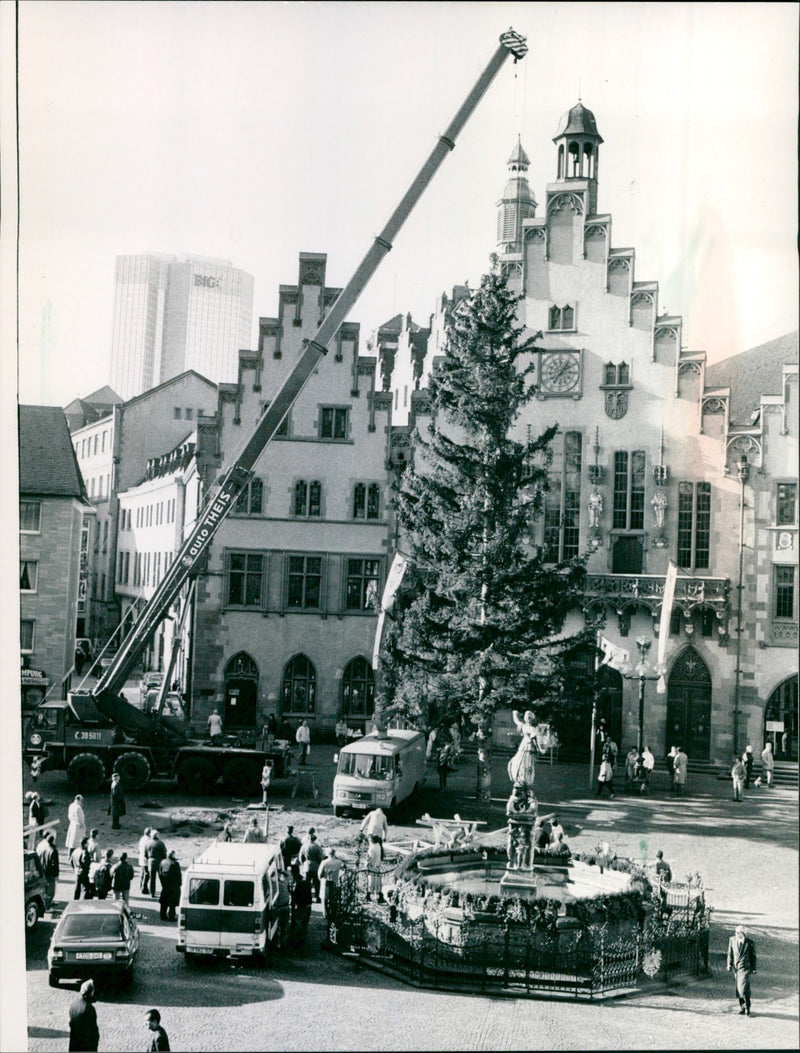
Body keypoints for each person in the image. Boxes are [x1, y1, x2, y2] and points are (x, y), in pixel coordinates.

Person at [727, 925, 757, 1015]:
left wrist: (754, 968)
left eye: (738, 932)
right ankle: (742, 1007)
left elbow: (753, 957)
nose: (736, 934)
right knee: (739, 989)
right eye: (735, 932)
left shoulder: (750, 943)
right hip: (736, 969)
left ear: (743, 933)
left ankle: (747, 1008)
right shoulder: (732, 940)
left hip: (745, 969)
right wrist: (729, 964)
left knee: (743, 988)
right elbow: (730, 953)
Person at [507, 709, 539, 790]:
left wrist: (515, 713)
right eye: (527, 717)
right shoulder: (528, 727)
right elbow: (516, 721)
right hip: (526, 746)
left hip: (527, 747)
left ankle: (523, 779)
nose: (528, 718)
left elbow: (534, 739)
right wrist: (514, 713)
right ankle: (520, 778)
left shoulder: (530, 728)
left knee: (525, 762)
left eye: (529, 717)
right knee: (520, 761)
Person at [68, 979, 99, 1052]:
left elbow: (70, 1023)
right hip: (86, 1045)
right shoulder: (89, 1009)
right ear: (90, 993)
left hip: (74, 1044)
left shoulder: (74, 1004)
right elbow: (92, 1030)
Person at [317, 847, 345, 920]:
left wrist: (321, 878)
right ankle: (333, 912)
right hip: (334, 880)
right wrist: (340, 875)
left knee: (324, 898)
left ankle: (325, 913)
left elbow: (319, 873)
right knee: (333, 898)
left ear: (327, 854)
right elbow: (344, 869)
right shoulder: (339, 862)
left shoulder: (324, 862)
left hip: (325, 880)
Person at [299, 829, 324, 902]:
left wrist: (303, 864)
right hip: (315, 866)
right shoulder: (317, 846)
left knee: (307, 883)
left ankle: (307, 897)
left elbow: (300, 857)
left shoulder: (304, 846)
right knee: (317, 883)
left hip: (307, 866)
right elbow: (321, 857)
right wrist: (319, 864)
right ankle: (317, 897)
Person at [290, 872, 313, 947]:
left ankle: (298, 939)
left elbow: (296, 897)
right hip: (308, 906)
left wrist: (292, 893)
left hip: (300, 907)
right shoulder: (307, 883)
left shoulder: (298, 884)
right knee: (305, 923)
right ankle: (303, 938)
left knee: (298, 922)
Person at [158, 850, 182, 922]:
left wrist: (162, 883)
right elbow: (178, 875)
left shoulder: (162, 862)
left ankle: (163, 915)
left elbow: (159, 873)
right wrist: (179, 884)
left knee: (164, 901)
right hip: (173, 886)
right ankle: (171, 916)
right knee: (172, 902)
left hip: (165, 885)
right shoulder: (175, 864)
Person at [37, 831, 59, 902]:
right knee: (50, 890)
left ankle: (47, 902)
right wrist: (56, 875)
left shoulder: (40, 845)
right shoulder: (53, 850)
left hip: (42, 869)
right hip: (50, 872)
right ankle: (48, 905)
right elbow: (54, 864)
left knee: (44, 888)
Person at [147, 830, 168, 899]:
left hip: (151, 861)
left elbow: (145, 853)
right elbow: (164, 854)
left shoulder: (148, 843)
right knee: (162, 877)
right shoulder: (161, 843)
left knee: (152, 878)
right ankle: (164, 891)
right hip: (159, 861)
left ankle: (152, 893)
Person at [365, 835, 384, 902]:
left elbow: (370, 858)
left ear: (371, 840)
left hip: (372, 866)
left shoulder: (372, 848)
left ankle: (369, 895)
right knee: (378, 881)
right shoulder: (378, 845)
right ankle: (379, 895)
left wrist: (366, 864)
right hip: (377, 865)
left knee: (371, 880)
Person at [138, 827, 153, 894]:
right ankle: (144, 888)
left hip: (141, 858)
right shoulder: (148, 840)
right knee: (147, 874)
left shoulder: (142, 838)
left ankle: (141, 886)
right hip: (145, 858)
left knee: (143, 873)